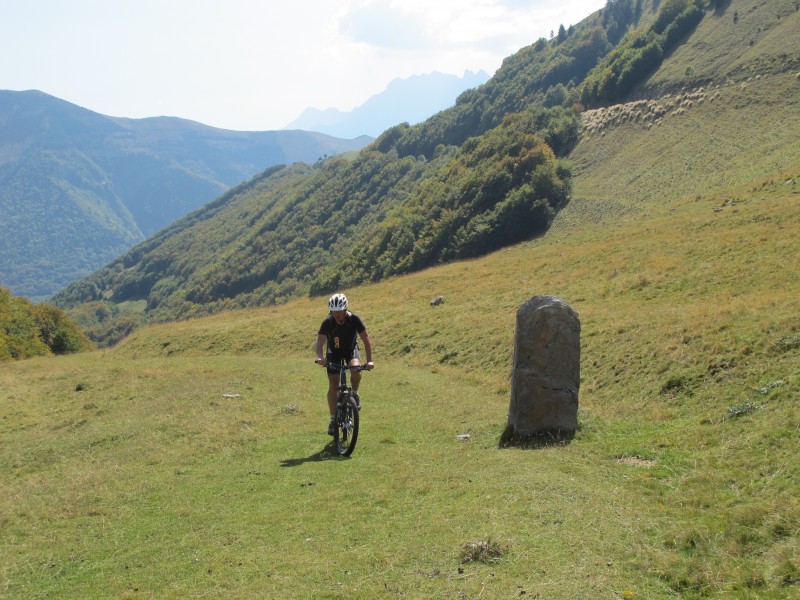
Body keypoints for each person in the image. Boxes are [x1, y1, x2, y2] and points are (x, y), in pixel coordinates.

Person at [315, 293, 374, 435]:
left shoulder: (354, 319)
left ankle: (354, 394)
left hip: (350, 350)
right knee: (333, 383)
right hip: (333, 353)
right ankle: (333, 419)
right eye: (333, 311)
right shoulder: (328, 322)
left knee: (355, 370)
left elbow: (366, 339)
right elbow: (320, 341)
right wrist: (320, 357)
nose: (336, 314)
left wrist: (370, 360)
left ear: (345, 309)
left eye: (339, 311)